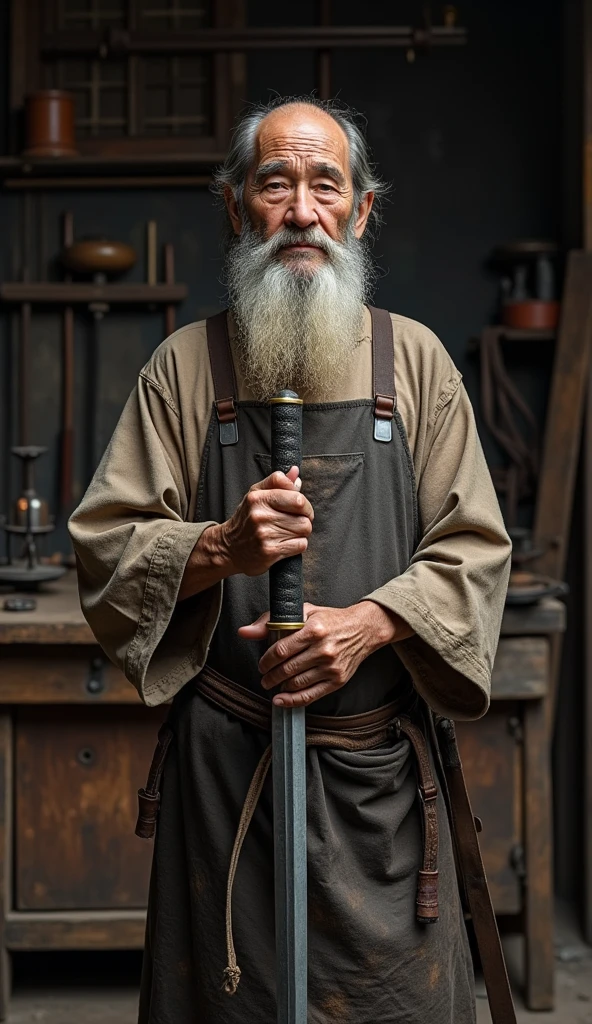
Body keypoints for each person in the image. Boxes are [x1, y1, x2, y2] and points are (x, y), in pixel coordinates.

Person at [69, 96, 512, 1024]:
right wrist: (220, 546)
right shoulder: (186, 370)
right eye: (275, 184)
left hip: (378, 789)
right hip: (226, 786)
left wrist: (372, 623)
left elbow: (473, 546)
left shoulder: (417, 366)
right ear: (238, 207)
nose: (301, 210)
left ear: (361, 211)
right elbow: (108, 548)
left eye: (325, 185)